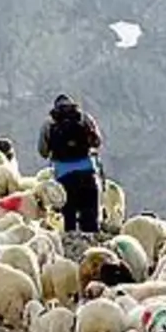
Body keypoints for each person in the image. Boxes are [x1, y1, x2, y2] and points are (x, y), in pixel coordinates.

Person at [37, 94, 103, 233]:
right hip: (87, 172)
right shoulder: (84, 118)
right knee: (90, 215)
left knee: (69, 216)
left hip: (63, 175)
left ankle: (71, 246)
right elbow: (97, 142)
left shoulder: (49, 123)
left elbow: (43, 151)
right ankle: (92, 245)